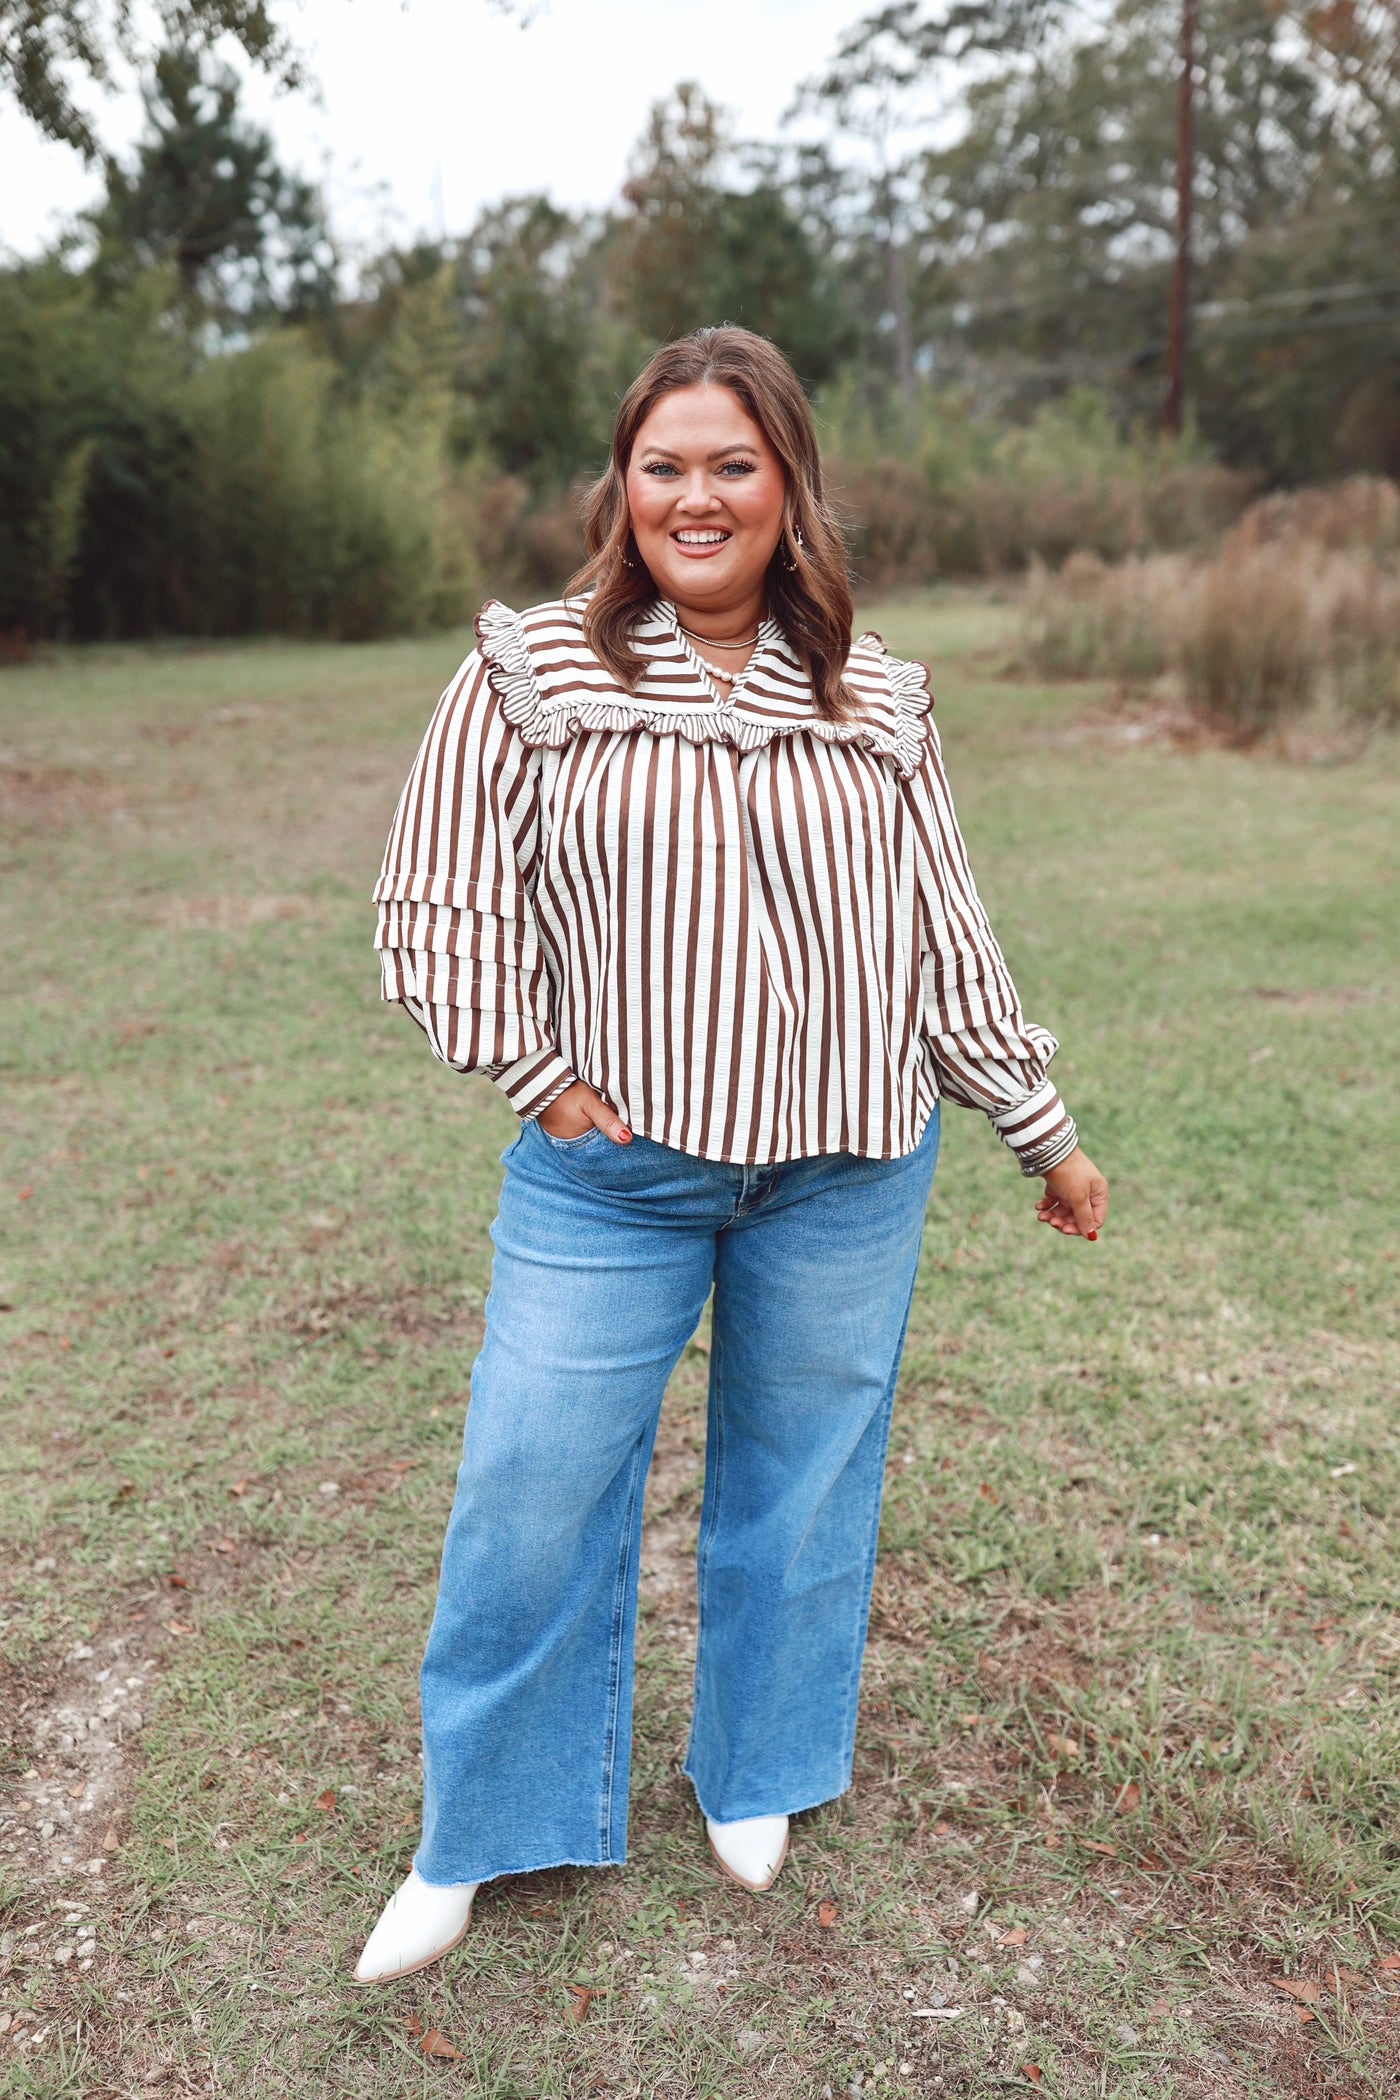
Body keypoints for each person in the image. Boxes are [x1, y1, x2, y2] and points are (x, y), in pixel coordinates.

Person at [355, 326, 1107, 1983]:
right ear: (624, 488)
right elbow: (434, 907)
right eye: (665, 464)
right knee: (530, 1491)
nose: (698, 496)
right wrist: (544, 1080)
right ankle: (482, 1825)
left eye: (734, 464)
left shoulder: (878, 695)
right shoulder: (529, 670)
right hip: (612, 1178)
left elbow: (945, 938)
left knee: (804, 1480)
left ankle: (755, 1773)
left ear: (790, 488)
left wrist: (1038, 1131)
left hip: (848, 1168)